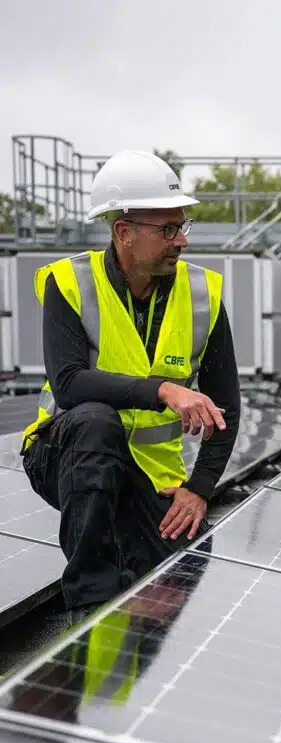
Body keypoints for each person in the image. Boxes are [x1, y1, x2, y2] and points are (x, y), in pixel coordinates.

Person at [19, 150, 241, 620]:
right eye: (167, 230)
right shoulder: (70, 282)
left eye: (183, 227)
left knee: (176, 583)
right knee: (95, 422)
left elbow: (226, 406)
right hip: (62, 457)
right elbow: (70, 384)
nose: (180, 240)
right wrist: (163, 389)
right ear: (124, 232)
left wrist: (198, 488)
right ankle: (89, 599)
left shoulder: (204, 294)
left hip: (149, 478)